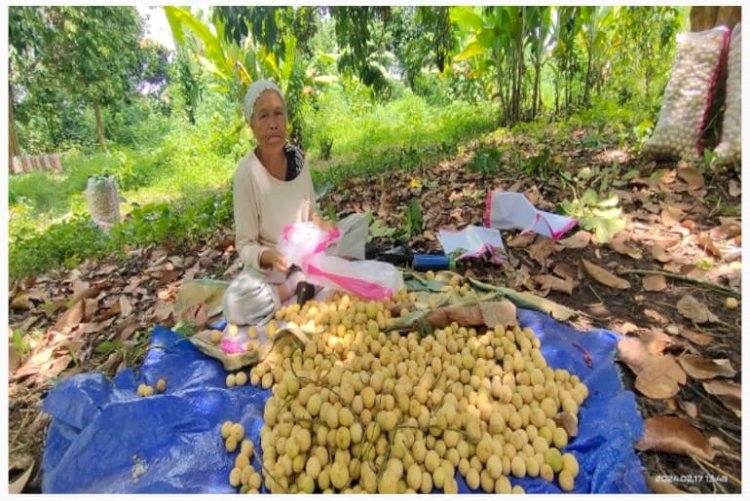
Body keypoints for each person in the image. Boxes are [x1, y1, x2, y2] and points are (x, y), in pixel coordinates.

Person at [222, 79, 367, 327]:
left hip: (306, 253)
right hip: (272, 268)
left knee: (356, 224)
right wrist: (267, 256)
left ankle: (312, 276)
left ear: (286, 119)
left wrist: (322, 226)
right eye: (263, 116)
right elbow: (245, 244)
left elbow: (311, 214)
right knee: (234, 303)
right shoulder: (247, 173)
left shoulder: (297, 159)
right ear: (251, 124)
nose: (273, 124)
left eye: (279, 113)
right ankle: (294, 286)